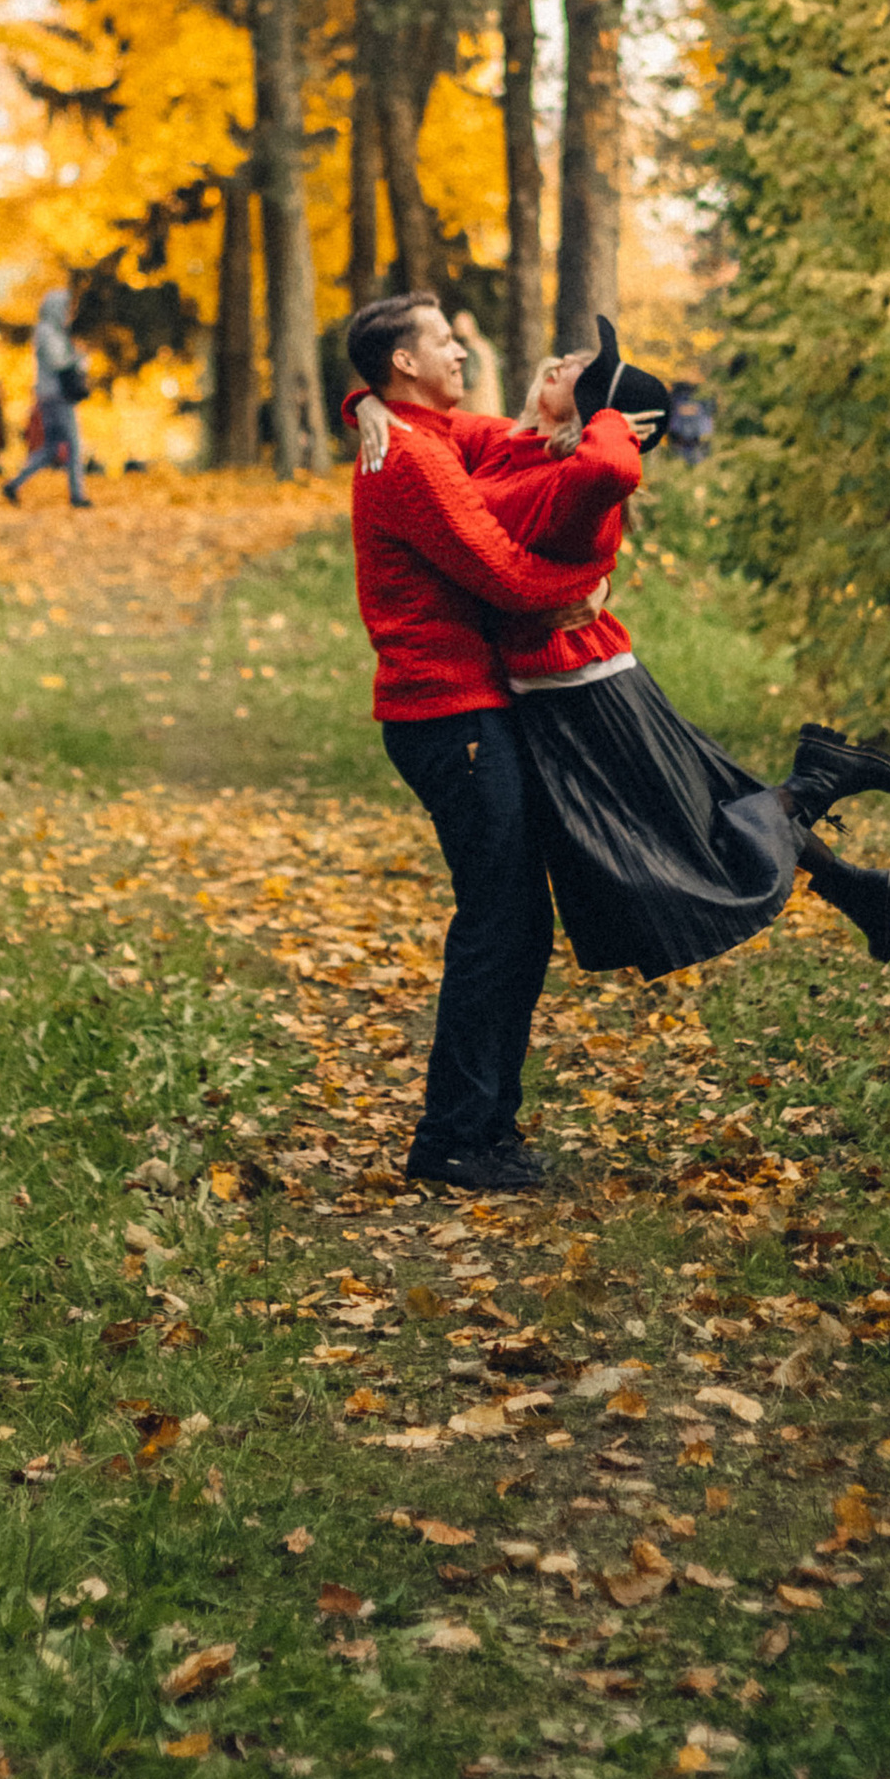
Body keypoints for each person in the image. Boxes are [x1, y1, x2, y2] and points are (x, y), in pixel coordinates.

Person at [355, 319, 890, 979]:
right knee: (702, 804)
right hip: (565, 680)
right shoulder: (510, 443)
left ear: (593, 412)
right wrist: (366, 401)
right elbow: (424, 422)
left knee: (691, 824)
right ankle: (855, 878)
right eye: (569, 362)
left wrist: (616, 421)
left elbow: (612, 467)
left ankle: (819, 787)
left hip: (583, 683)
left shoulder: (567, 473)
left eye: (583, 377)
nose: (562, 363)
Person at [343, 288, 620, 1196]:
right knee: (498, 923)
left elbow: (505, 448)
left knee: (516, 923)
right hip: (447, 715)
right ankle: (454, 1138)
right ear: (403, 366)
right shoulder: (409, 462)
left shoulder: (420, 435)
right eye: (443, 343)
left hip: (467, 711)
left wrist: (549, 417)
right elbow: (501, 572)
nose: (461, 351)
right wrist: (582, 585)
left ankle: (485, 1129)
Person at [4, 287, 90, 509]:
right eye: (64, 308)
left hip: (51, 395)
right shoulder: (47, 332)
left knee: (51, 448)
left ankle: (14, 484)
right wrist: (79, 357)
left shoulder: (54, 331)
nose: (67, 312)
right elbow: (58, 361)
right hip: (56, 395)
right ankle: (77, 495)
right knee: (73, 444)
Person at [451, 306, 503, 416]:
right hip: (491, 409)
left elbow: (469, 381)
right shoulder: (485, 345)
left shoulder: (470, 349)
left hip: (476, 411)